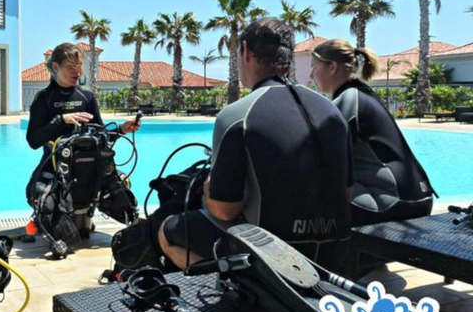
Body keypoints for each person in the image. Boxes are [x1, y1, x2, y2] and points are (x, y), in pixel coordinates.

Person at [158, 18, 354, 273]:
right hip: (335, 252)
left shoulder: (238, 115)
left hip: (275, 262)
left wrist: (210, 189)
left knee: (169, 230)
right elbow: (346, 192)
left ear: (247, 51)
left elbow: (224, 211)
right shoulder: (331, 111)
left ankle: (241, 287)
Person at [310, 39, 434, 226]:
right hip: (417, 198)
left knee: (310, 188)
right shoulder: (362, 94)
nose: (311, 75)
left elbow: (318, 156)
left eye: (314, 67)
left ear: (333, 67)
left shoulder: (348, 100)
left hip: (397, 203)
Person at [25, 43, 140, 225]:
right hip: (54, 171)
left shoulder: (86, 97)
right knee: (38, 197)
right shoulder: (43, 99)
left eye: (79, 66)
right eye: (71, 67)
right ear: (56, 67)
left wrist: (121, 129)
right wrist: (61, 120)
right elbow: (33, 141)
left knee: (124, 195)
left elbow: (101, 137)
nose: (77, 72)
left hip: (87, 171)